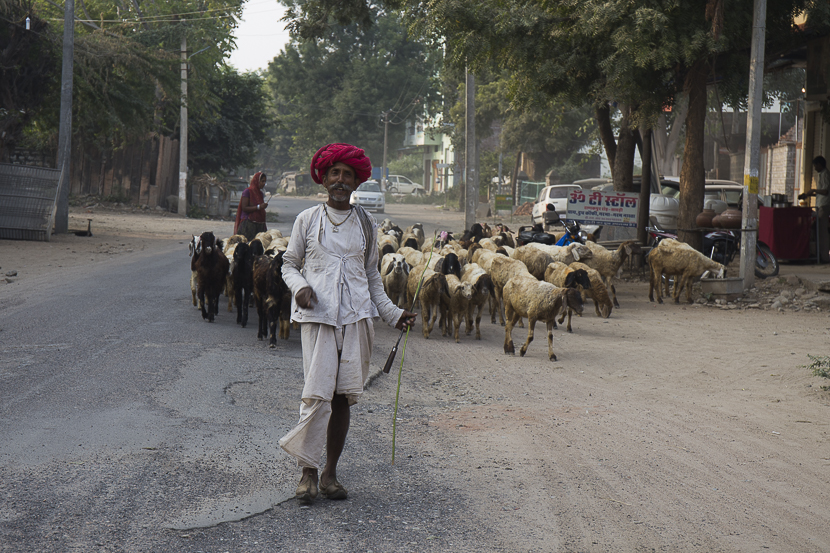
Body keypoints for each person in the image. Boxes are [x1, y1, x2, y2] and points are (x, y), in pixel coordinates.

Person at [279, 143, 417, 502]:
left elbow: (372, 277)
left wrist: (393, 313)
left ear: (357, 182)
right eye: (335, 173)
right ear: (323, 179)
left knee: (342, 398)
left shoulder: (367, 225)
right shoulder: (307, 220)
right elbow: (288, 264)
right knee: (317, 395)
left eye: (347, 175)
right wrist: (301, 287)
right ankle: (306, 473)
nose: (341, 180)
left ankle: (329, 474)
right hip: (319, 319)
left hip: (357, 320)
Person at [799, 156, 830, 263]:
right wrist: (808, 194)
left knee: (823, 232)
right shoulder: (821, 175)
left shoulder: (825, 174)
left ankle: (825, 256)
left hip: (824, 206)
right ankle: (819, 254)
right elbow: (821, 193)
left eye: (816, 165)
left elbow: (825, 192)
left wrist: (814, 190)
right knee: (816, 230)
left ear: (820, 164)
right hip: (820, 204)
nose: (815, 167)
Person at [234, 172, 269, 241]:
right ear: (257, 181)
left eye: (265, 181)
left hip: (259, 224)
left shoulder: (260, 193)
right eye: (262, 181)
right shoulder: (247, 192)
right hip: (248, 225)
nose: (264, 183)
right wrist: (259, 207)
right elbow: (244, 208)